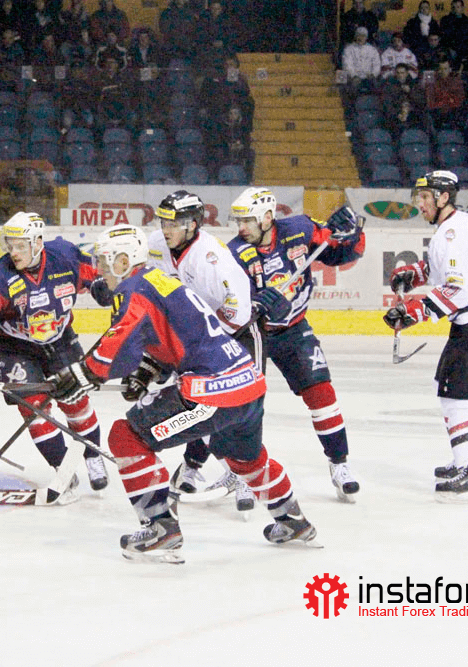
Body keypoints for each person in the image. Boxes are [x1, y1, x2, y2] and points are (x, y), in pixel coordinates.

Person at [45, 224, 319, 563]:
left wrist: (82, 374)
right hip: (247, 382)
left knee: (126, 436)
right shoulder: (159, 280)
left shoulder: (134, 289)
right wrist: (147, 370)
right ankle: (292, 520)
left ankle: (161, 527)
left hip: (211, 391)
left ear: (123, 261)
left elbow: (119, 346)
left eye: (104, 261)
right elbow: (174, 336)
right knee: (244, 458)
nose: (99, 269)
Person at [227, 187, 365, 502]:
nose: (241, 227)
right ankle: (241, 472)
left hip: (293, 328)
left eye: (247, 220)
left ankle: (339, 464)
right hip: (253, 334)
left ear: (267, 217)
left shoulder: (300, 229)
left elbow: (336, 252)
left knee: (322, 393)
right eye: (239, 221)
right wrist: (255, 305)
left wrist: (352, 233)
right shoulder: (234, 253)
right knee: (241, 405)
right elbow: (228, 305)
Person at [384, 171, 468, 503]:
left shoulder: (451, 234)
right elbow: (450, 269)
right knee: (450, 388)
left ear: (444, 198)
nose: (420, 204)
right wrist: (416, 273)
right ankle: (466, 459)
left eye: (426, 197)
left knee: (457, 394)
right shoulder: (457, 224)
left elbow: (459, 289)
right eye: (419, 198)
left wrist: (415, 311)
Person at [0, 211, 112, 495]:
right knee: (34, 408)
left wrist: (101, 284)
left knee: (76, 402)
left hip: (60, 340)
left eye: (21, 246)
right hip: (15, 348)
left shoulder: (65, 256)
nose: (14, 252)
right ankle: (62, 468)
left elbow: (96, 272)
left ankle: (93, 456)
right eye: (10, 245)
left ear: (37, 243)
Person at [145, 191, 262, 509]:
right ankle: (197, 467)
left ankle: (245, 475)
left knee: (238, 409)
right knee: (196, 404)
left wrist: (202, 340)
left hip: (235, 335)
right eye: (163, 222)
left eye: (173, 224)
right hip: (195, 338)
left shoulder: (212, 257)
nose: (165, 229)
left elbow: (237, 312)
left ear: (192, 224)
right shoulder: (156, 244)